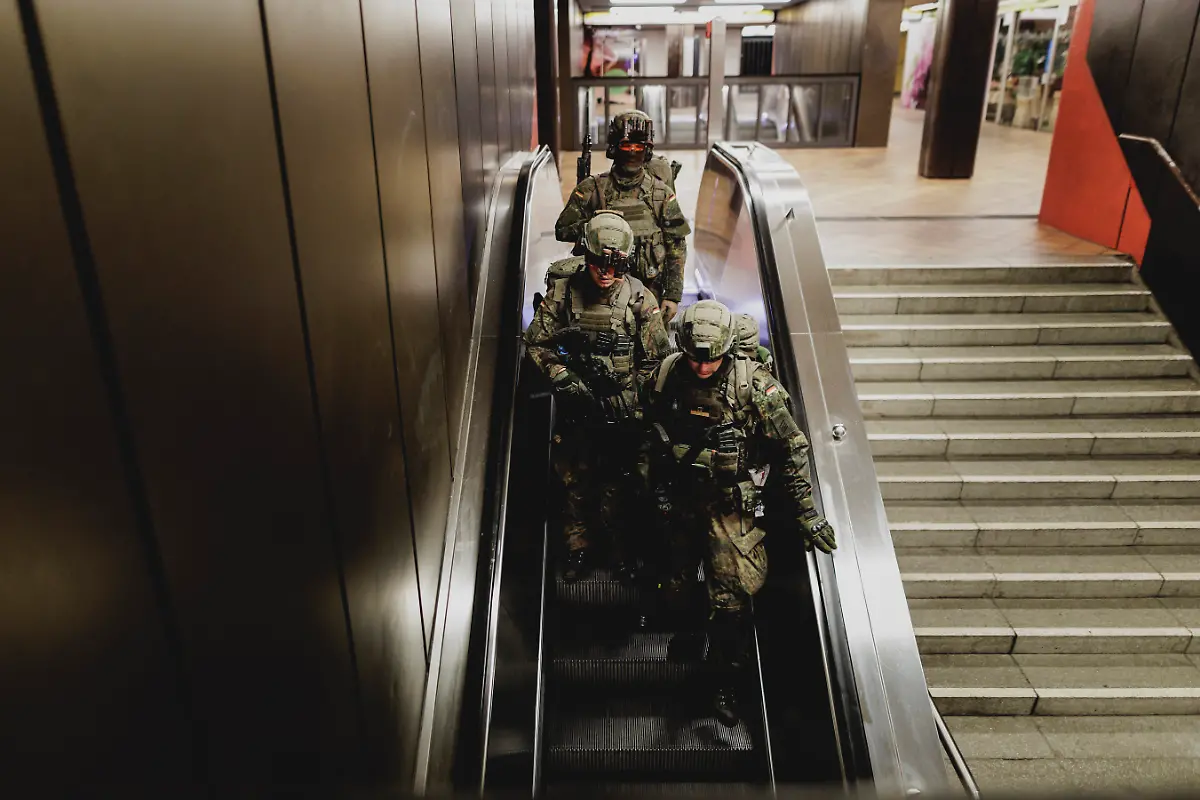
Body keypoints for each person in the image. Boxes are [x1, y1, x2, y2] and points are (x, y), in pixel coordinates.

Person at [644, 300, 836, 727]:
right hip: (679, 499)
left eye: (712, 359)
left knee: (732, 597)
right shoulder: (664, 375)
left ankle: (724, 683)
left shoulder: (755, 387)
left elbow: (792, 449)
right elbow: (648, 432)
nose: (702, 368)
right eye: (695, 358)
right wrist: (654, 486)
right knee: (675, 577)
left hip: (731, 507)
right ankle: (690, 635)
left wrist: (807, 512)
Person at [525, 211, 673, 584]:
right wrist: (563, 377)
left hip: (624, 409)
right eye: (598, 262)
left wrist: (634, 397)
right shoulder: (563, 293)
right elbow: (536, 344)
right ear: (586, 256)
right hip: (578, 407)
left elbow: (658, 361)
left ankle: (620, 554)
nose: (606, 273)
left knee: (621, 486)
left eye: (616, 265)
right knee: (574, 481)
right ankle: (577, 549)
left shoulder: (640, 299)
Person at [555, 110, 691, 324]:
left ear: (647, 150)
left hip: (650, 297)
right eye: (627, 146)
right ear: (614, 147)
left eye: (639, 147)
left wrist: (673, 296)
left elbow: (676, 246)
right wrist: (595, 228)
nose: (633, 152)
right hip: (598, 301)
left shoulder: (661, 195)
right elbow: (562, 229)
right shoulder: (592, 189)